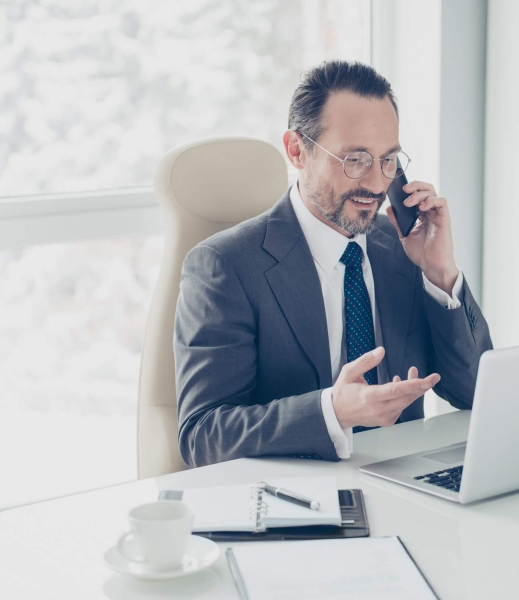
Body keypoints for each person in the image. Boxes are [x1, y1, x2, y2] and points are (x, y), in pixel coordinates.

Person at [175, 60, 492, 467]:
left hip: (405, 480)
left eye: (388, 160)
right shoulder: (224, 267)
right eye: (355, 159)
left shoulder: (405, 248)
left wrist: (440, 273)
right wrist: (333, 411)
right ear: (297, 150)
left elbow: (475, 393)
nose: (376, 184)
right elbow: (203, 435)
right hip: (296, 493)